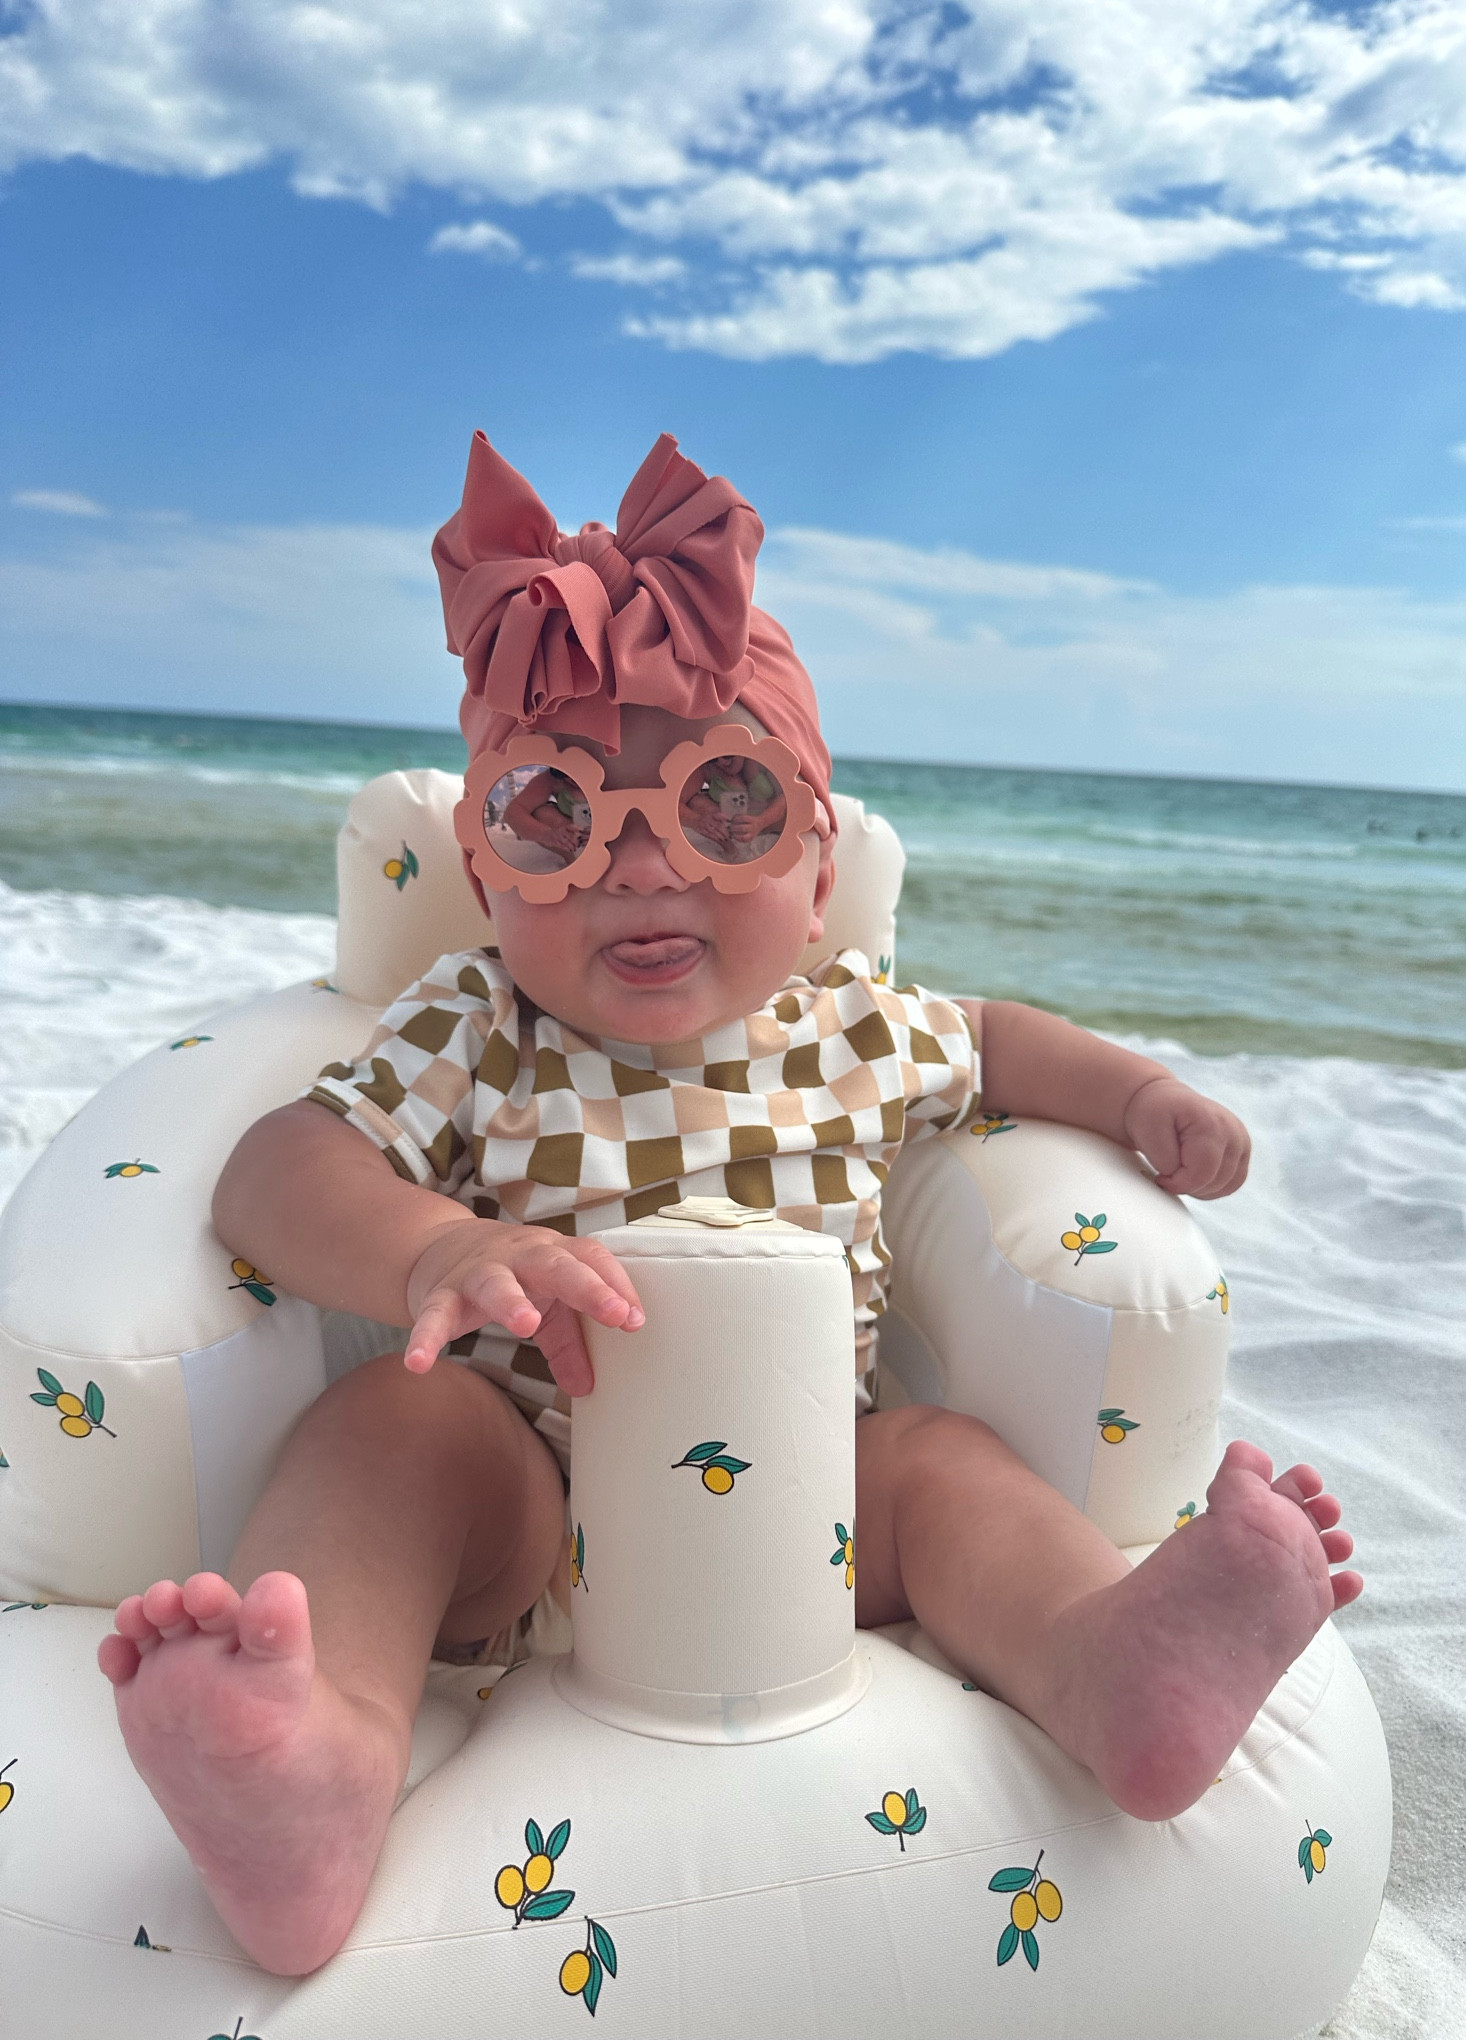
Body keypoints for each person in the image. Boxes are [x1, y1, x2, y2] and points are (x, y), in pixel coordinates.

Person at [95, 433, 1360, 1979]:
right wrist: (438, 1245)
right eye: (557, 817)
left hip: (816, 1506)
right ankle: (320, 1755)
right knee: (391, 1434)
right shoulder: (480, 1025)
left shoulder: (854, 1024)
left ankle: (1110, 1666)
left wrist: (1139, 1098)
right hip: (523, 1505)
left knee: (942, 1466)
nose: (641, 865)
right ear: (488, 880)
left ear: (819, 871)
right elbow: (279, 1164)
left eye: (727, 801)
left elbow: (1006, 1040)